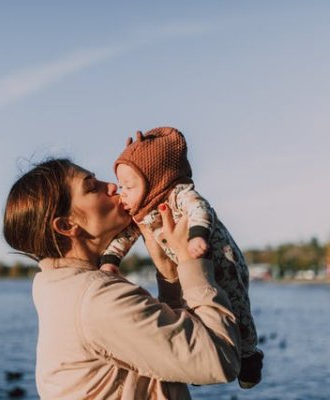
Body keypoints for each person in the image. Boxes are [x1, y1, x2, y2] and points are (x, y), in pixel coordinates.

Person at [3, 158, 242, 400]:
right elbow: (221, 359)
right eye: (92, 187)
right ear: (67, 225)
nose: (112, 187)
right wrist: (190, 259)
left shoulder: (59, 289)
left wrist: (168, 272)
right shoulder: (97, 299)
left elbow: (176, 359)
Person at [99, 127, 263, 389]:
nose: (123, 193)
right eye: (121, 186)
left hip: (223, 261)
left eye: (129, 186)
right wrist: (110, 261)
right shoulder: (139, 212)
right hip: (191, 267)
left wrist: (197, 235)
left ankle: (249, 354)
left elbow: (200, 208)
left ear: (156, 180)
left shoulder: (178, 194)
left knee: (237, 305)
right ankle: (198, 362)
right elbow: (123, 237)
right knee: (190, 308)